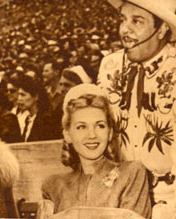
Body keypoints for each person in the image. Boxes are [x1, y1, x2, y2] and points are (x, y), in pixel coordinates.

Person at [97, 0, 176, 218]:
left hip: (167, 199)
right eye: (123, 20)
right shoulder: (109, 66)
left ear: (162, 29)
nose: (125, 30)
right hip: (119, 197)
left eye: (137, 21)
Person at [40, 84, 151, 218]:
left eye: (100, 126)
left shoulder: (131, 173)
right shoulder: (54, 185)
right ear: (68, 135)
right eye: (81, 127)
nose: (92, 135)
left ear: (109, 133)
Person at [16, 75, 55, 141]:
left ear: (36, 96)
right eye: (18, 95)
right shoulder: (28, 119)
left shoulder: (46, 120)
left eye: (23, 95)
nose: (19, 98)